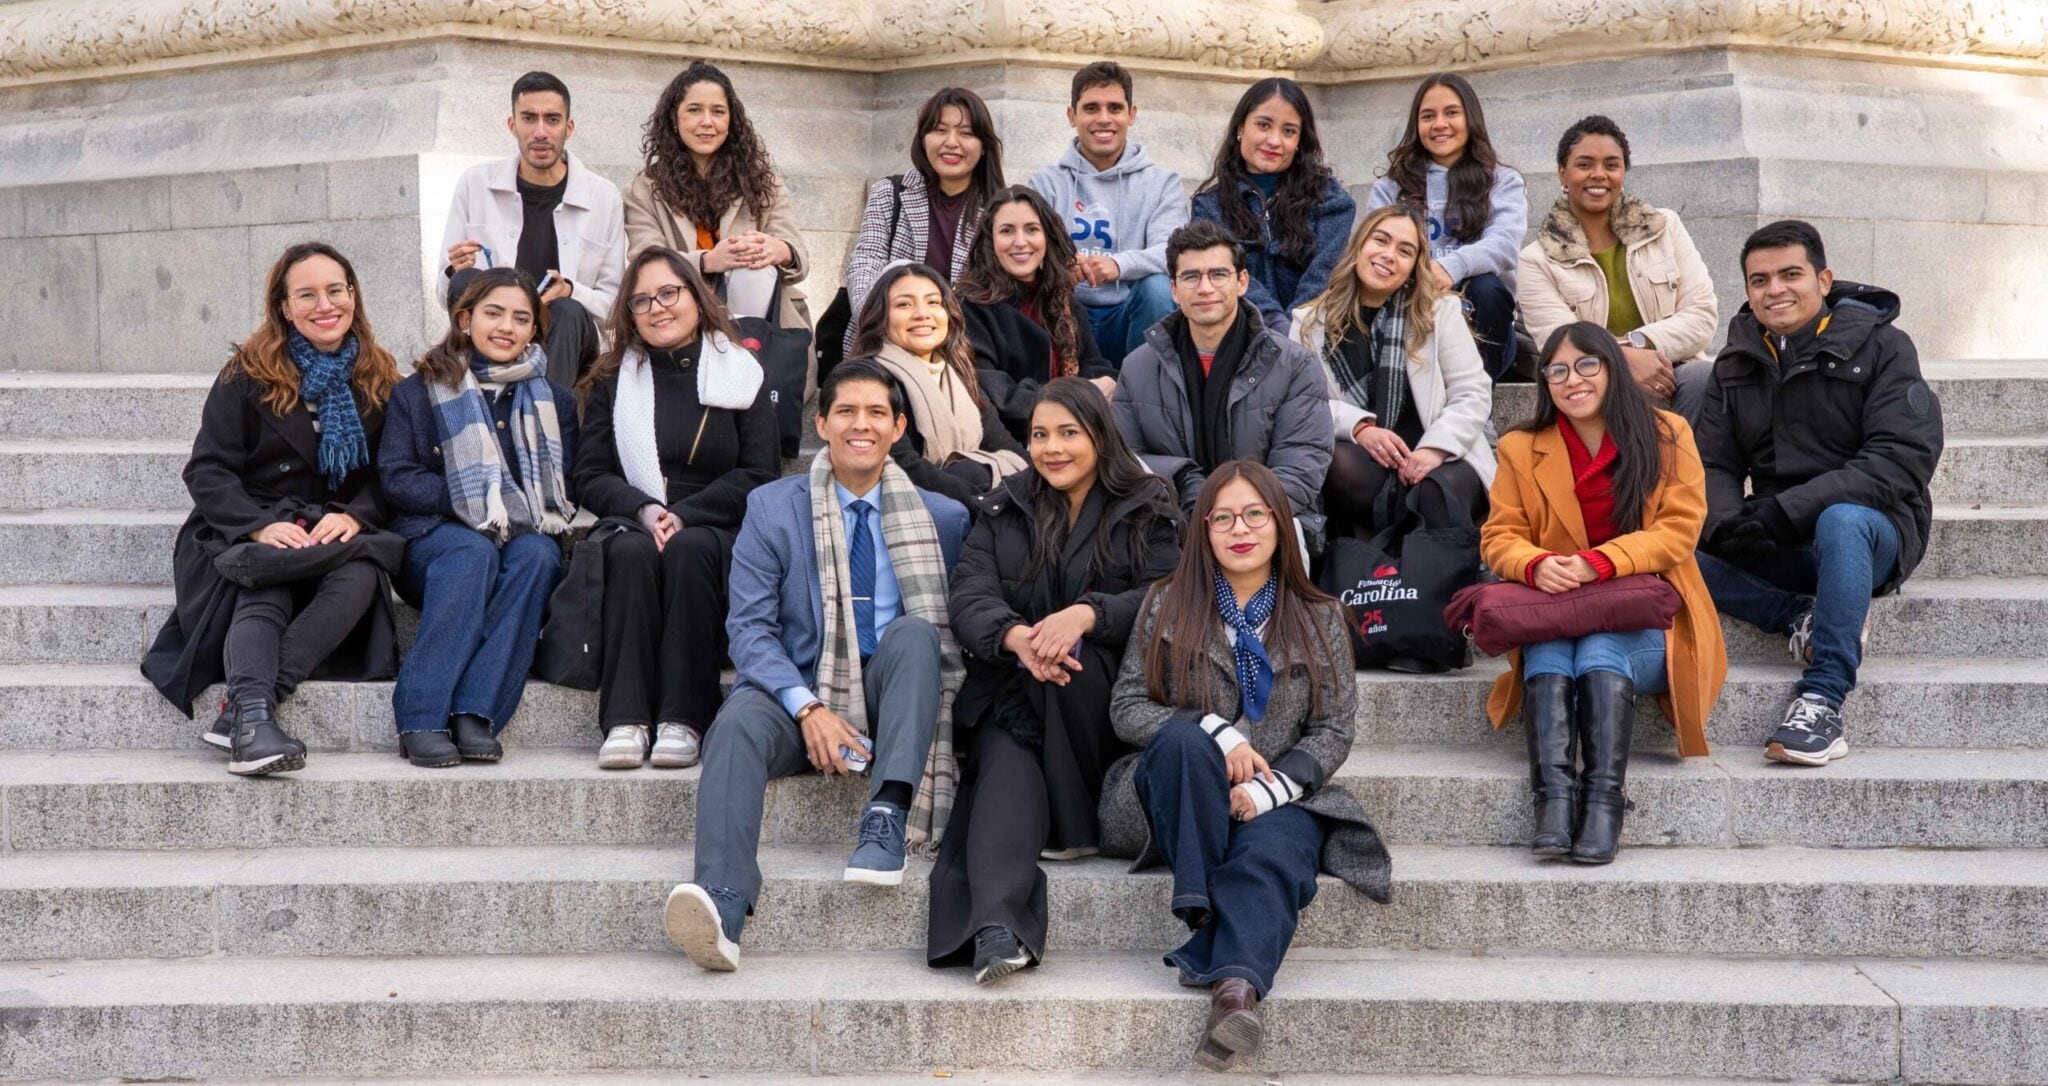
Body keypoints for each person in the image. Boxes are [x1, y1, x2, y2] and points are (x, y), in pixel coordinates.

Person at [662, 359, 971, 973]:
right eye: (847, 412)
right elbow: (749, 630)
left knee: (915, 634)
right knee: (736, 724)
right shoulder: (773, 507)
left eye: (877, 413)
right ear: (822, 423)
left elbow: (954, 632)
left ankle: (886, 814)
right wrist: (807, 707)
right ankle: (723, 902)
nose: (862, 425)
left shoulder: (943, 518)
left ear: (899, 427)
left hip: (894, 695)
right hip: (795, 691)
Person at [1099, 460, 1390, 1071]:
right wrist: (1215, 731)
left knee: (1272, 853)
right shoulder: (1166, 604)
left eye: (1255, 514)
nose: (1241, 529)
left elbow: (1334, 728)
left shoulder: (1319, 617)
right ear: (1204, 531)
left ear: (1281, 526)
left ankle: (1233, 995)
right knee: (1183, 741)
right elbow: (1126, 708)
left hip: (1279, 794)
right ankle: (1201, 898)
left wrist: (1267, 792)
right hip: (1175, 794)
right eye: (1224, 517)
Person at [927, 378, 1181, 984]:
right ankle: (995, 929)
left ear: (1099, 433)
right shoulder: (1006, 506)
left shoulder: (1148, 505)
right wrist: (1019, 640)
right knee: (1005, 764)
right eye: (1039, 434)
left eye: (1069, 432)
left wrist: (1087, 614)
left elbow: (1169, 596)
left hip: (1103, 707)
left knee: (1069, 668)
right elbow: (969, 595)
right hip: (1014, 691)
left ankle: (1074, 825)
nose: (1052, 447)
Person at [142, 242, 402, 776]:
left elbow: (389, 475)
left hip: (331, 530)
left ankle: (246, 710)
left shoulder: (379, 378)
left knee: (362, 571)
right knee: (267, 582)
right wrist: (259, 527)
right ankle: (254, 721)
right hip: (247, 530)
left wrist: (355, 514)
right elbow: (208, 470)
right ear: (284, 307)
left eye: (335, 290)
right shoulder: (247, 374)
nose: (324, 304)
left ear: (353, 295)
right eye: (306, 294)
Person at [1694, 221, 1943, 767]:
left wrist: (1789, 511)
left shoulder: (1884, 346)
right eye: (1759, 280)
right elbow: (1713, 460)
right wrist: (1726, 524)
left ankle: (1823, 698)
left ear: (1823, 279)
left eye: (1791, 274)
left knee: (1842, 521)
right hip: (1779, 529)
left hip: (1873, 529)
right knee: (1669, 547)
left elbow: (1901, 456)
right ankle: (1796, 616)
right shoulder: (1736, 362)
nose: (1774, 289)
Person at [1481, 324, 1727, 863]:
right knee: (1549, 646)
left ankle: (1603, 801)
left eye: (1588, 364)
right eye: (1558, 370)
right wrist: (1536, 564)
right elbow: (1499, 537)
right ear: (1545, 382)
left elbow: (1680, 530)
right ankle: (1552, 799)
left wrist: (1600, 564)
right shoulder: (1521, 447)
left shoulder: (1668, 433)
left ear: (1614, 368)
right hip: (1558, 606)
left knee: (1599, 648)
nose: (1574, 380)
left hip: (1650, 612)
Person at [574, 247, 780, 770]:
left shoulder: (742, 371)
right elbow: (590, 474)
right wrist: (645, 509)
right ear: (629, 314)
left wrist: (687, 514)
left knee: (688, 549)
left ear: (695, 295)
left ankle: (684, 717)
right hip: (633, 513)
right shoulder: (613, 378)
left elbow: (759, 473)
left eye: (669, 293)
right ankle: (625, 717)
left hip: (714, 520)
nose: (657, 308)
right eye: (642, 301)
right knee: (633, 553)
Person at [377, 269, 577, 767]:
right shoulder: (418, 391)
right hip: (432, 542)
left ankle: (476, 710)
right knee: (472, 551)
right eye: (493, 313)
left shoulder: (557, 403)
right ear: (465, 319)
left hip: (521, 536)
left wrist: (509, 510)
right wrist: (475, 499)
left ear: (535, 330)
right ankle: (421, 714)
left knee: (539, 554)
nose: (506, 326)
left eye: (521, 317)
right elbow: (397, 478)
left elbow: (562, 487)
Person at [1113, 220, 1333, 541]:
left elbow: (1301, 466)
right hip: (1172, 525)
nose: (1205, 288)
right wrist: (1184, 480)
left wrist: (1235, 520)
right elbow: (1125, 461)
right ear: (1173, 289)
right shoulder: (1137, 368)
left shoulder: (1294, 364)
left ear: (1242, 281)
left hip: (1268, 525)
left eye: (1218, 274)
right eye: (1190, 276)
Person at [1291, 203, 1494, 544]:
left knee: (1433, 490)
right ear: (1359, 247)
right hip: (1369, 460)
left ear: (1415, 267)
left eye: (1405, 251)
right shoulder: (1309, 323)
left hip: (1443, 455)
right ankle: (1383, 569)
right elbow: (1302, 403)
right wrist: (1359, 427)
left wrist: (1435, 449)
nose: (1388, 255)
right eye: (1380, 240)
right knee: (1337, 464)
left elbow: (1471, 393)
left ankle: (1439, 583)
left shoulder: (1439, 313)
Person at [1519, 115, 1718, 421]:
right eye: (1585, 164)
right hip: (1591, 381)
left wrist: (1638, 344)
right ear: (1562, 173)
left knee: (1703, 378)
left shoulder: (1665, 228)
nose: (1599, 174)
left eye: (1611, 165)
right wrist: (1624, 360)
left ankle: (1691, 470)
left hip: (1669, 370)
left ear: (1623, 171)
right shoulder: (1536, 260)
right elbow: (1560, 345)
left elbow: (1701, 316)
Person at [438, 71, 626, 389]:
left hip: (569, 336)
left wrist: (572, 290)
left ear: (569, 127)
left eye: (552, 119)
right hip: (494, 329)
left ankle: (551, 419)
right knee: (467, 280)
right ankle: (471, 392)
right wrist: (452, 270)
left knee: (566, 309)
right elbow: (447, 296)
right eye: (529, 118)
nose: (540, 132)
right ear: (512, 125)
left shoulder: (603, 196)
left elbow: (615, 308)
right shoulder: (475, 184)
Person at [622, 60, 811, 337]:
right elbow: (645, 262)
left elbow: (799, 255)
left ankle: (747, 360)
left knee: (752, 269)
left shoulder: (762, 180)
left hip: (763, 319)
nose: (707, 122)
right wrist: (708, 261)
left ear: (731, 121)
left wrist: (778, 250)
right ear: (674, 119)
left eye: (718, 112)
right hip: (682, 315)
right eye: (694, 110)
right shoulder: (644, 188)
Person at [1365, 73, 1528, 380]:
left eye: (1451, 113)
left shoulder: (1503, 181)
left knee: (1486, 287)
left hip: (1483, 322)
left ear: (1471, 118)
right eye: (1428, 116)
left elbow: (1504, 244)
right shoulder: (1390, 188)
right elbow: (1374, 251)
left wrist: (1451, 268)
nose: (1439, 124)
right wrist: (1423, 279)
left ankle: (1478, 405)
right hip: (1411, 311)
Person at [1028, 61, 1187, 363]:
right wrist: (1061, 268)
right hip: (1067, 312)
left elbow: (1173, 252)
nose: (1103, 119)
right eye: (1091, 108)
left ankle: (1145, 391)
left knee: (1157, 288)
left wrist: (1118, 265)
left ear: (1132, 114)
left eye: (1114, 108)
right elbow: (1027, 250)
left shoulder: (1163, 182)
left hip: (1130, 313)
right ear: (1072, 116)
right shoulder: (1045, 183)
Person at [842, 87, 1006, 353]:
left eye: (965, 133)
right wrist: (880, 321)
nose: (951, 142)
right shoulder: (890, 193)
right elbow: (865, 263)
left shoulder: (999, 208)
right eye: (940, 130)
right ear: (923, 138)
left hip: (968, 348)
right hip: (887, 343)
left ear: (984, 146)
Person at [1189, 77, 1354, 337]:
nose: (1274, 141)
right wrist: (1275, 323)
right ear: (1241, 127)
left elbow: (1324, 273)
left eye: (1288, 131)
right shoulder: (1209, 206)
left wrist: (1297, 326)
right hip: (1239, 333)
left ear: (1300, 140)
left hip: (1315, 331)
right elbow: (1227, 274)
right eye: (1264, 125)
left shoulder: (1332, 201)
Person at [851, 262, 1028, 502]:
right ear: (881, 317)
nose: (922, 314)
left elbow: (1006, 446)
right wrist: (984, 500)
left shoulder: (960, 374)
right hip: (910, 506)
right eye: (904, 304)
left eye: (933, 302)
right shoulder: (867, 379)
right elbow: (901, 465)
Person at [955, 185, 1116, 440]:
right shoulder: (970, 305)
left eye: (1031, 229)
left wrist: (1107, 381)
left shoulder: (1062, 300)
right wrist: (1077, 396)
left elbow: (1094, 364)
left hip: (1076, 432)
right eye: (1007, 231)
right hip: (1014, 440)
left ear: (1047, 237)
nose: (1021, 242)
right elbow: (994, 393)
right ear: (991, 240)